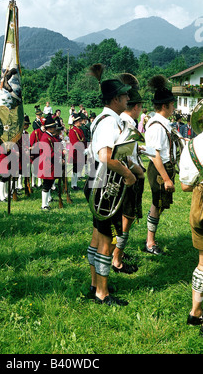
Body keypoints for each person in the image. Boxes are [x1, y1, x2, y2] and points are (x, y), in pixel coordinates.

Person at [87, 77, 136, 306]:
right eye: (125, 95)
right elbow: (105, 156)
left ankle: (95, 284)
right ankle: (102, 294)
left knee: (97, 236)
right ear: (116, 99)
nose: (128, 98)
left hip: (97, 181)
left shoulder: (102, 118)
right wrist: (128, 174)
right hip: (105, 184)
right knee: (106, 240)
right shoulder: (109, 122)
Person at [112, 74, 145, 274]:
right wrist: (138, 172)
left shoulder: (123, 120)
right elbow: (123, 156)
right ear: (135, 106)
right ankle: (117, 258)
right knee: (127, 217)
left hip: (127, 174)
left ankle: (119, 252)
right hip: (129, 176)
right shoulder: (126, 123)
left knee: (125, 217)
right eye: (140, 106)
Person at [145, 75, 177, 255]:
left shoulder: (162, 123)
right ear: (164, 106)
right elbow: (154, 154)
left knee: (160, 205)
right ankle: (150, 242)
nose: (174, 107)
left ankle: (151, 239)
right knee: (157, 204)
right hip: (160, 169)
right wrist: (166, 179)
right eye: (172, 104)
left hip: (164, 168)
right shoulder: (157, 125)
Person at [179, 128, 203, 337]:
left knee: (202, 261)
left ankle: (195, 311)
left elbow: (185, 186)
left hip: (199, 204)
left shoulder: (192, 145)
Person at [38, 115, 62, 210]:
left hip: (51, 163)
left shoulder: (50, 136)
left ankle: (47, 201)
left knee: (50, 182)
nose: (55, 129)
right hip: (47, 163)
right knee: (46, 184)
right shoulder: (45, 138)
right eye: (53, 127)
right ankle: (44, 205)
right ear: (50, 128)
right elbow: (48, 153)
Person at [68, 113, 86, 190]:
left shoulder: (80, 130)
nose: (81, 122)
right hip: (75, 152)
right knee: (75, 169)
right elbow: (75, 143)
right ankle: (73, 185)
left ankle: (75, 184)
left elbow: (84, 140)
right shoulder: (72, 131)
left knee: (78, 168)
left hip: (81, 152)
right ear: (75, 122)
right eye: (79, 121)